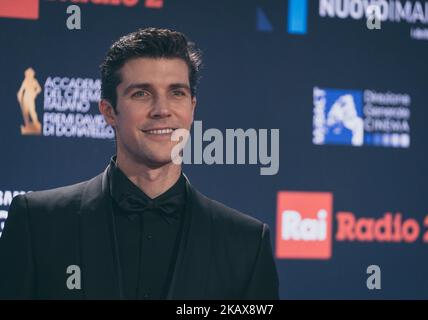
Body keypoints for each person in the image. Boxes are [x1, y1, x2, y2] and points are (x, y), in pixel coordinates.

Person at [0, 28, 279, 300]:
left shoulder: (246, 244)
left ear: (192, 108)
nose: (162, 109)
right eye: (142, 94)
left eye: (176, 93)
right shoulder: (37, 224)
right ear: (109, 112)